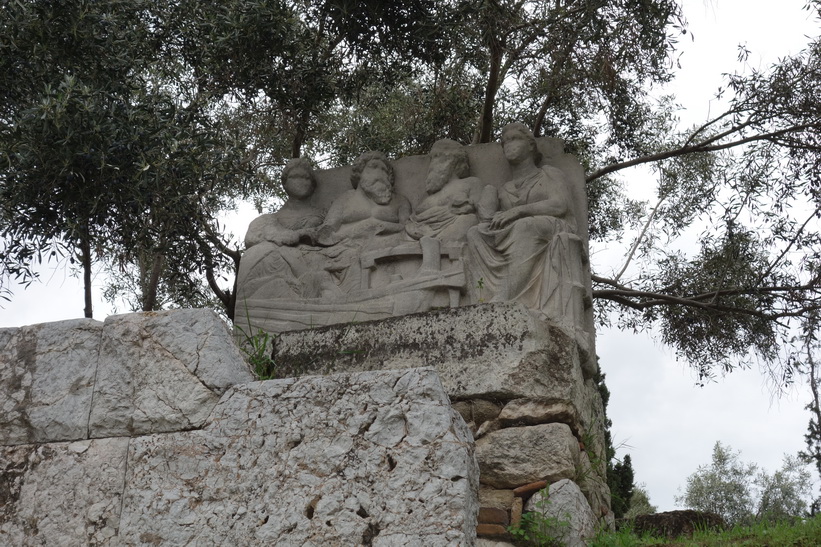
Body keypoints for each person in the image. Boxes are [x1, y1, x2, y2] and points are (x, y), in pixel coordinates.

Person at [467, 122, 584, 319]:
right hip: (516, 233)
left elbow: (559, 205)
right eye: (504, 142)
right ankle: (482, 298)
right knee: (475, 233)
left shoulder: (548, 174)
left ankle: (505, 295)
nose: (508, 145)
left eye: (514, 139)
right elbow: (492, 221)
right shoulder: (504, 190)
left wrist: (518, 212)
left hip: (552, 227)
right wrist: (489, 204)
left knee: (526, 226)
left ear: (531, 145)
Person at [236, 158, 325, 301]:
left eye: (306, 178)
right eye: (295, 177)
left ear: (313, 185)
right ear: (285, 183)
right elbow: (251, 239)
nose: (300, 181)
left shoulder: (322, 215)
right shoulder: (267, 220)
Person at [405, 139, 483, 242]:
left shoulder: (471, 183)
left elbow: (480, 211)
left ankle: (435, 242)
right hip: (421, 232)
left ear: (453, 160)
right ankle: (431, 242)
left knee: (469, 220)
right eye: (431, 159)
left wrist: (463, 207)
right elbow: (413, 219)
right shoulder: (427, 196)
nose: (432, 164)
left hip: (453, 228)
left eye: (437, 157)